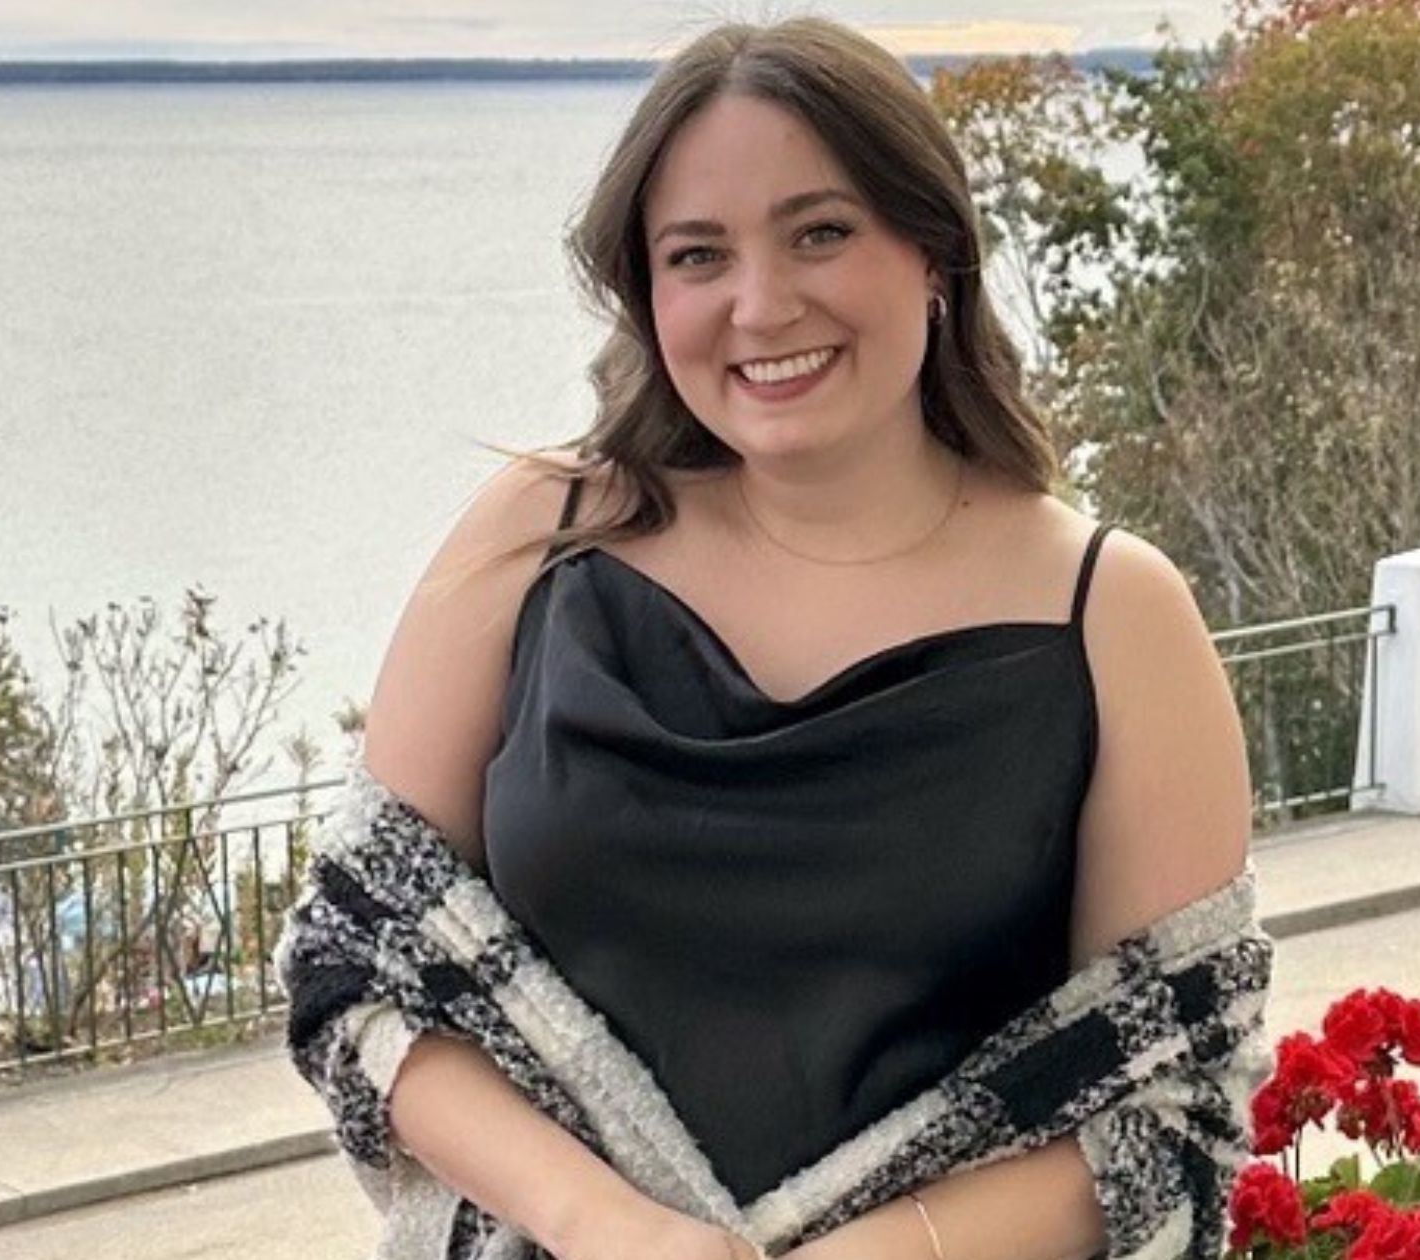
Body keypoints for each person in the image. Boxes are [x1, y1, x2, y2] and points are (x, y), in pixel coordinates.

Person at [352, 18, 1253, 1260]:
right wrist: (605, 1225)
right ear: (647, 291)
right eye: (697, 254)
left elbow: (1171, 1105)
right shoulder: (536, 539)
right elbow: (362, 966)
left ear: (933, 252)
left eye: (821, 232)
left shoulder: (1112, 617)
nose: (762, 306)